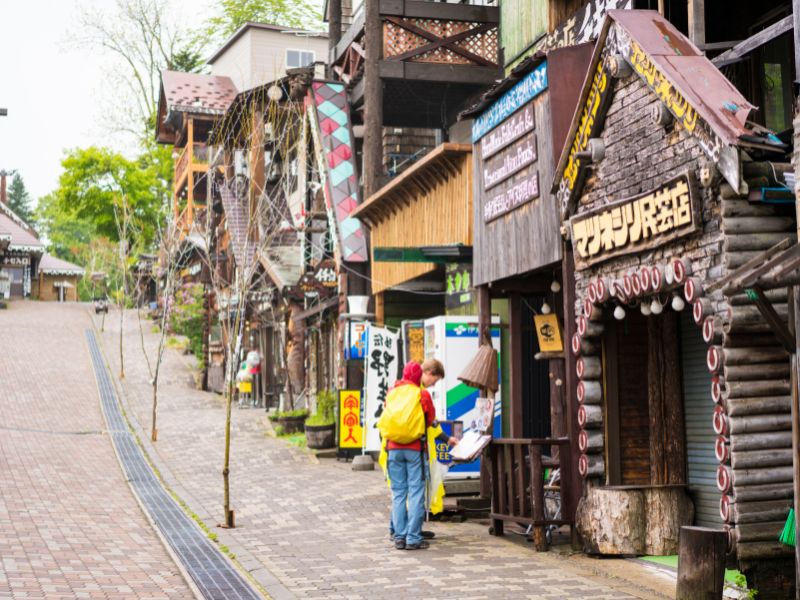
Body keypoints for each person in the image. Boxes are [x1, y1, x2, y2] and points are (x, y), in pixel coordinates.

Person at [385, 359, 449, 550]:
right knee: (415, 492)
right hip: (414, 450)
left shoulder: (392, 392)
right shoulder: (422, 394)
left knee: (398, 493)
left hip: (393, 449)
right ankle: (413, 538)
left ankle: (399, 536)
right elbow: (430, 421)